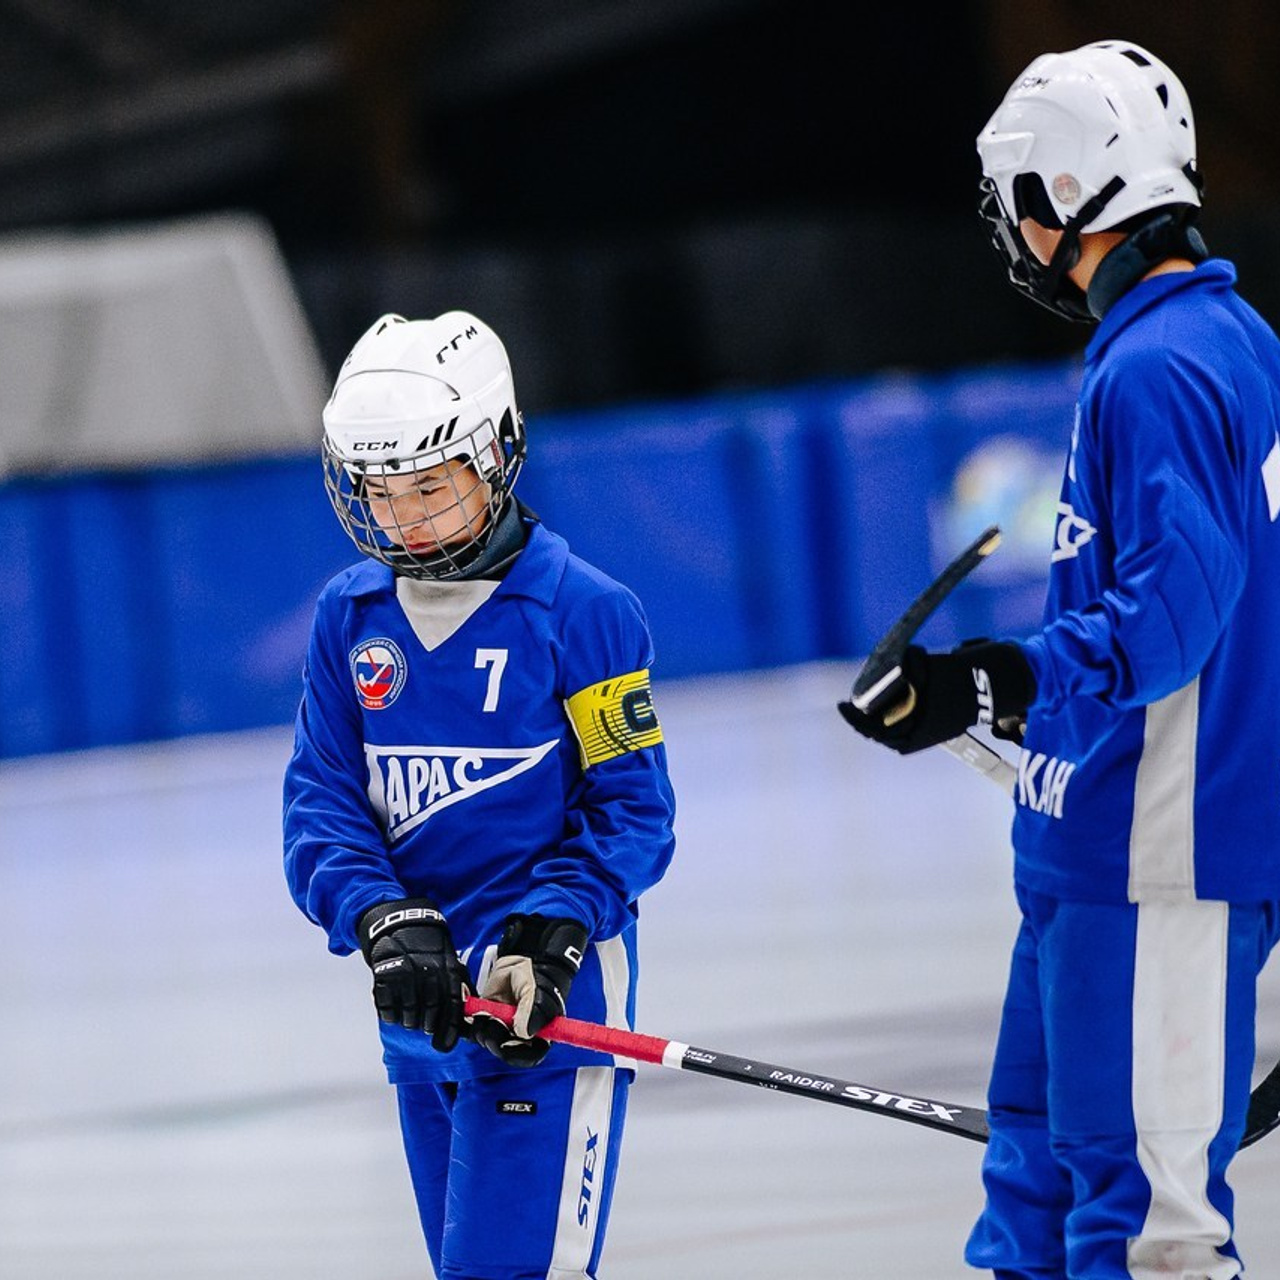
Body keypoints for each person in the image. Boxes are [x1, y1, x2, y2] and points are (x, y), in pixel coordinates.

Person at [841, 39, 1280, 1278]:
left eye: (1014, 202)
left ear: (1057, 199)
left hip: (1157, 865)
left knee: (1144, 1232)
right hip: (1095, 853)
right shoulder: (1218, 341)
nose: (1010, 233)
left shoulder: (1162, 366)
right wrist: (978, 705)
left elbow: (1173, 619)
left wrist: (982, 682)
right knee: (1034, 1202)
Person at [283, 310, 676, 1279]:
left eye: (428, 486)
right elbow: (323, 803)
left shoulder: (585, 612)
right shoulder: (348, 617)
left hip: (543, 1012)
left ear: (495, 453)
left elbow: (632, 809)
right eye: (381, 491)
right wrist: (383, 917)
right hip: (416, 1012)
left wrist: (547, 930)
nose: (403, 516)